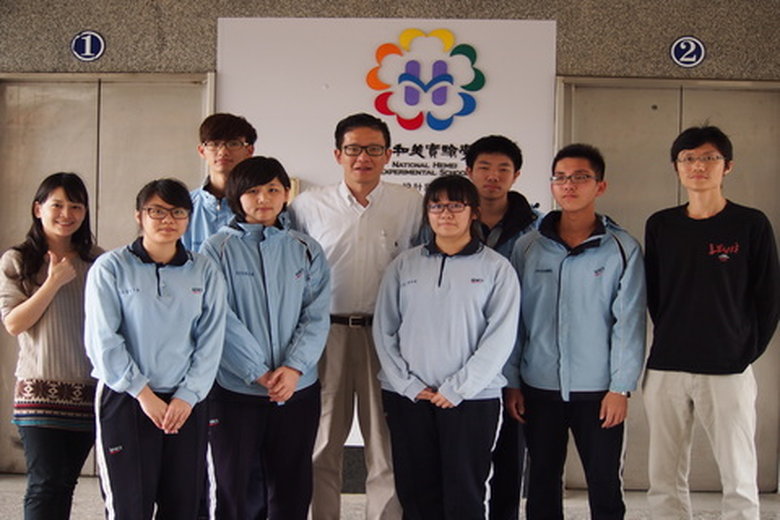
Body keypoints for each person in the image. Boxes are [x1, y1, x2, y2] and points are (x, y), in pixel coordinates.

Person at [289, 112, 422, 520]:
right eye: (353, 149)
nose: (363, 157)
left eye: (373, 149)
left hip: (385, 336)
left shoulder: (410, 204)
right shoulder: (308, 206)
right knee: (322, 442)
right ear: (338, 154)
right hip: (325, 335)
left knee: (385, 445)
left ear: (388, 155)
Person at [644, 126, 780, 520]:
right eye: (688, 158)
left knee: (738, 472)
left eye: (709, 157)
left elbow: (769, 297)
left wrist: (742, 351)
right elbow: (655, 293)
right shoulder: (661, 225)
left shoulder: (750, 224)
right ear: (676, 167)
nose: (697, 166)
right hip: (667, 365)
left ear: (727, 166)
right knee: (664, 474)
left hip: (728, 368)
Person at [505, 144, 646, 520]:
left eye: (581, 177)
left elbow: (629, 322)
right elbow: (514, 322)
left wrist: (620, 388)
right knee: (542, 482)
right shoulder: (528, 247)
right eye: (561, 178)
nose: (569, 185)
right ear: (552, 185)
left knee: (604, 483)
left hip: (599, 391)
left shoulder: (621, 249)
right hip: (538, 387)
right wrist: (513, 381)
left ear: (600, 186)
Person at [373, 174, 520, 519]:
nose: (446, 213)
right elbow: (384, 329)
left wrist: (459, 388)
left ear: (474, 212)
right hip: (411, 397)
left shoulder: (496, 268)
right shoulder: (404, 265)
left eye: (456, 205)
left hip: (472, 398)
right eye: (436, 206)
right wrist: (407, 384)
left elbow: (500, 337)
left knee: (465, 493)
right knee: (415, 492)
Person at [85, 178, 227, 520]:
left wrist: (187, 396)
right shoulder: (111, 267)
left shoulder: (204, 270)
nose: (168, 220)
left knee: (185, 506)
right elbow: (103, 340)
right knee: (129, 506)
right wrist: (143, 393)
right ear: (139, 215)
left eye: (177, 212)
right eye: (157, 211)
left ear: (188, 218)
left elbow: (211, 339)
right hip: (127, 398)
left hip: (186, 402)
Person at [201, 156, 331, 519]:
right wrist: (256, 371)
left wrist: (293, 368)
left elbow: (316, 315)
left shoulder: (306, 248)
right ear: (236, 196)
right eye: (253, 191)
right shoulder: (216, 249)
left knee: (292, 485)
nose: (264, 199)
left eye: (273, 189)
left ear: (286, 193)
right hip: (236, 390)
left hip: (297, 389)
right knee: (235, 487)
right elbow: (219, 317)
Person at [0, 173, 101, 520]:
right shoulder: (18, 260)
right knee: (44, 485)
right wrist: (53, 282)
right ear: (38, 208)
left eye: (76, 206)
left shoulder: (97, 262)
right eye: (57, 205)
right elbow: (14, 323)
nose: (66, 214)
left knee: (65, 485)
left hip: (86, 393)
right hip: (38, 393)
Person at [464, 135, 539, 519]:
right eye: (484, 168)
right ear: (468, 171)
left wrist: (515, 375)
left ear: (516, 175)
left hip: (514, 359)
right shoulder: (448, 221)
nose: (492, 176)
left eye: (503, 169)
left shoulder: (537, 230)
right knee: (463, 463)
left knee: (510, 457)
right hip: (459, 356)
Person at [182, 112, 257, 253]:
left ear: (249, 151)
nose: (223, 151)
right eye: (214, 144)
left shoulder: (261, 207)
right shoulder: (183, 207)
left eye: (233, 144)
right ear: (202, 151)